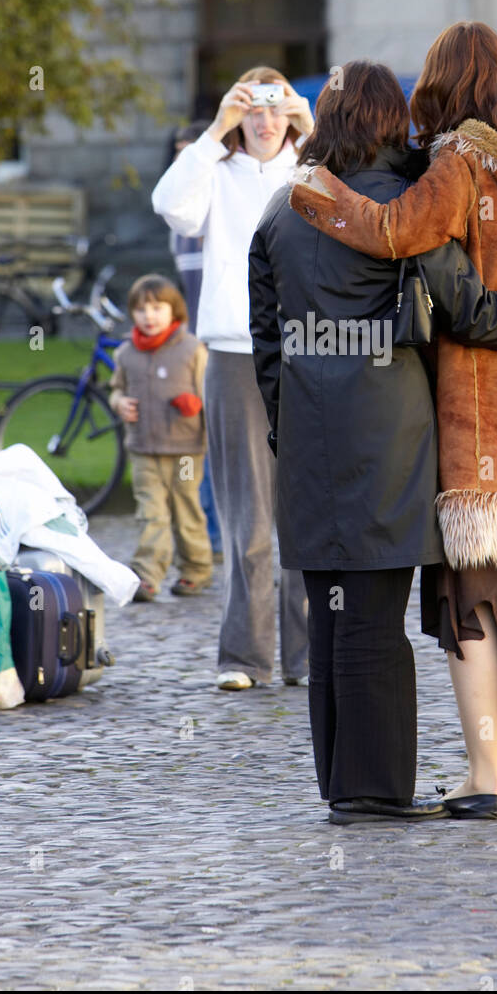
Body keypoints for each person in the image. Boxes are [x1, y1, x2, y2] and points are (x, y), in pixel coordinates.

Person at [249, 60, 497, 824]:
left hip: (305, 430)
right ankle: (374, 791)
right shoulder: (404, 202)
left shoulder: (281, 206)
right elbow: (466, 309)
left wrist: (288, 418)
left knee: (326, 614)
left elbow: (267, 344)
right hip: (389, 428)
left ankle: (340, 782)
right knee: (371, 616)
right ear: (391, 121)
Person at [152, 67, 313, 691]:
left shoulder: (310, 168)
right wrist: (215, 130)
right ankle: (245, 657)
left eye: (276, 107)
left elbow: (363, 202)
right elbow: (171, 207)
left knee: (304, 511)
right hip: (234, 351)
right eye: (253, 109)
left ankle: (305, 658)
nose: (266, 119)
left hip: (308, 349)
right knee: (246, 516)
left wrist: (313, 126)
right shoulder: (214, 171)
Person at [109, 274, 212, 601]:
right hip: (144, 451)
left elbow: (211, 394)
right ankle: (147, 575)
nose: (148, 316)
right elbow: (116, 390)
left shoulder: (192, 350)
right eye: (141, 310)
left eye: (157, 308)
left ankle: (196, 570)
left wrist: (196, 406)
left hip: (185, 453)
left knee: (186, 509)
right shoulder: (126, 354)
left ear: (175, 311)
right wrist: (120, 403)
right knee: (150, 513)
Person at [165, 120, 222, 560]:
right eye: (179, 153)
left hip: (229, 339)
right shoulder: (178, 218)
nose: (186, 161)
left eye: (193, 152)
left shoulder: (223, 200)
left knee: (221, 440)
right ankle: (207, 538)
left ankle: (217, 536)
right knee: (195, 437)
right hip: (195, 338)